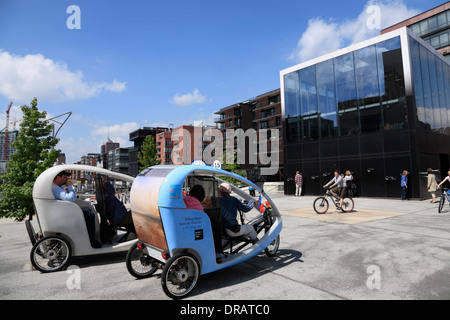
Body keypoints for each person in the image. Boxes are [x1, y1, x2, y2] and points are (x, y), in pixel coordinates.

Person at [52, 171, 101, 248]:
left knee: (86, 211)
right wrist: (70, 186)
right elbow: (71, 199)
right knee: (90, 215)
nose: (67, 179)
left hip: (62, 212)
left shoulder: (55, 187)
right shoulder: (56, 188)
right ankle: (91, 241)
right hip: (64, 215)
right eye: (65, 177)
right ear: (58, 178)